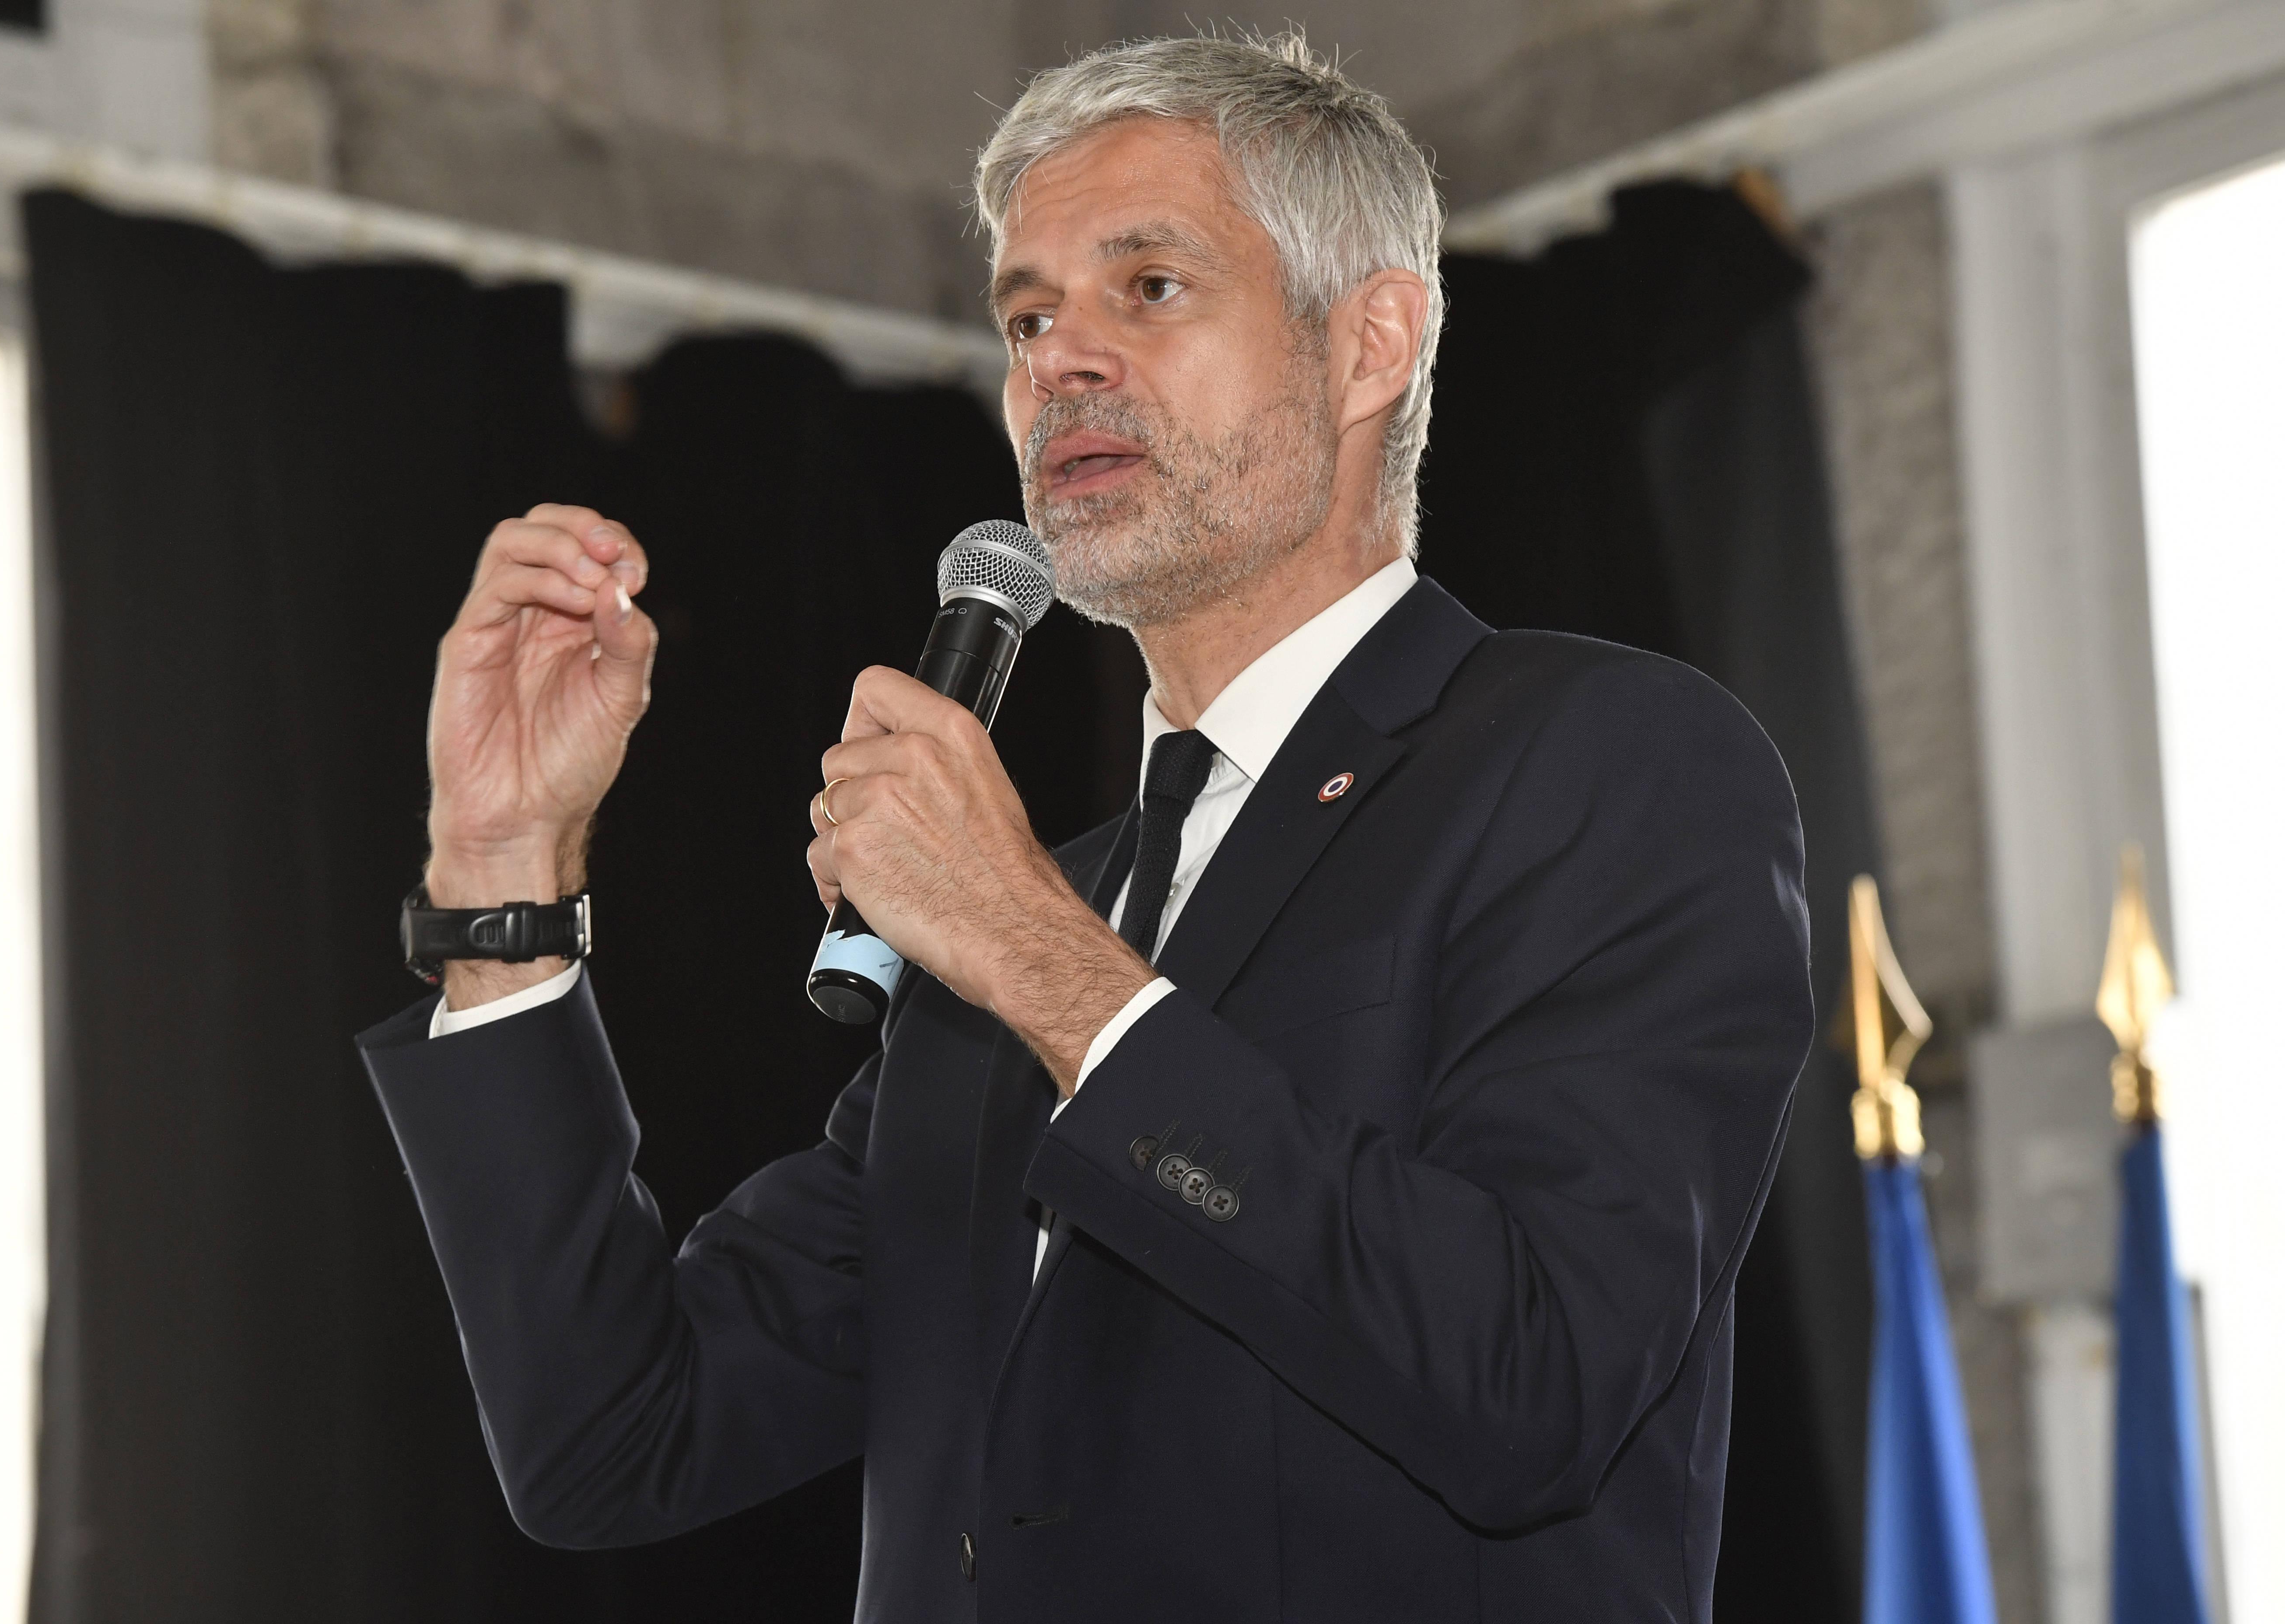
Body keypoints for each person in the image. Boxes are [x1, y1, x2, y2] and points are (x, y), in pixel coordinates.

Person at [360, 31, 1813, 1622]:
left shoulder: (1604, 764)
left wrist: (1047, 968)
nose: (1061, 361)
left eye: (1152, 289)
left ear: (1369, 343)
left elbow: (1531, 1385)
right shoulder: (1046, 906)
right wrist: (500, 878)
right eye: (1030, 315)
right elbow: (613, 1441)